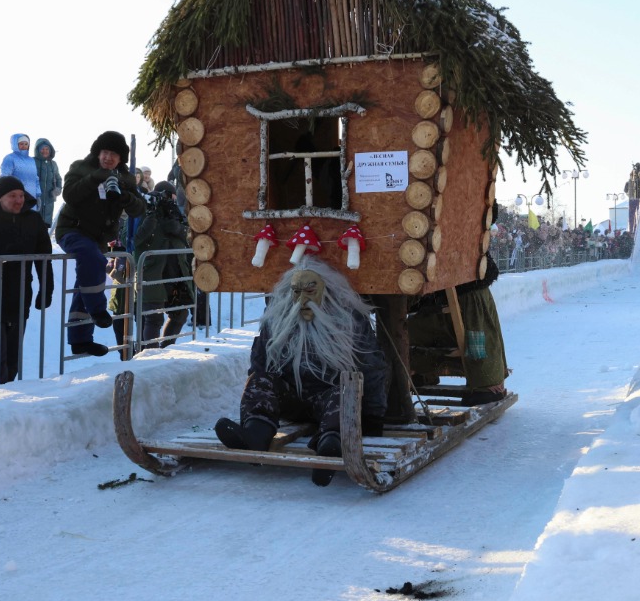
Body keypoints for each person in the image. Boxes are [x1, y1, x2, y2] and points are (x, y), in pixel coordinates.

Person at [213, 258, 388, 486]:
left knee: (346, 389)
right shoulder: (276, 320)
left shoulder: (349, 321)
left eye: (311, 291)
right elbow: (260, 363)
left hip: (330, 398)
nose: (302, 300)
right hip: (291, 398)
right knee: (261, 379)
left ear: (327, 291)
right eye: (296, 291)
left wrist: (374, 416)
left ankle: (331, 444)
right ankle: (255, 433)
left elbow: (371, 367)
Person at [54, 131, 144, 357]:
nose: (108, 157)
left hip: (98, 239)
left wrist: (124, 196)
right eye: (105, 152)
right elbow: (69, 195)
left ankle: (81, 340)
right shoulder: (80, 167)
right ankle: (97, 310)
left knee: (85, 283)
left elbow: (140, 208)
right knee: (92, 260)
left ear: (121, 158)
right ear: (97, 152)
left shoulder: (126, 179)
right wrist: (95, 178)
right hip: (72, 230)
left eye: (113, 154)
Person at [0, 176, 53, 385]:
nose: (19, 200)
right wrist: (0, 255)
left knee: (12, 359)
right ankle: (1, 396)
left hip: (19, 297)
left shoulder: (33, 220)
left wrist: (47, 288)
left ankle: (7, 396)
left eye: (21, 195)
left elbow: (44, 257)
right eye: (12, 196)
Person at [408, 252, 510, 406]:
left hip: (464, 294)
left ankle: (485, 383)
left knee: (475, 339)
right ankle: (422, 371)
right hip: (453, 292)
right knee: (418, 328)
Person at [108, 180, 191, 350]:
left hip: (175, 273)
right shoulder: (142, 211)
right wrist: (151, 216)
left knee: (180, 314)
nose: (171, 200)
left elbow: (189, 236)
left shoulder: (173, 212)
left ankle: (164, 350)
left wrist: (177, 228)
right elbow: (131, 240)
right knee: (153, 318)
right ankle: (150, 356)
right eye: (170, 196)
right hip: (151, 272)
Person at [0, 134, 41, 210]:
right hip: (16, 198)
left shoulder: (31, 160)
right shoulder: (10, 158)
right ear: (15, 144)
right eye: (21, 144)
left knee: (30, 217)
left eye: (26, 144)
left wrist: (38, 195)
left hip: (31, 198)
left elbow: (35, 179)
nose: (24, 146)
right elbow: (4, 178)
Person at [33, 138, 62, 226]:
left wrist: (58, 189)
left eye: (47, 149)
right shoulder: (32, 161)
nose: (45, 151)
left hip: (49, 200)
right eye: (42, 149)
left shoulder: (53, 164)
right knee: (33, 224)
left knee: (44, 226)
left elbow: (58, 178)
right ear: (38, 150)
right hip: (35, 199)